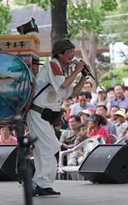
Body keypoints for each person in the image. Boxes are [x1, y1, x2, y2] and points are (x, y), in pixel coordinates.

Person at [26, 39, 89, 196]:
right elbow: (64, 85)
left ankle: (38, 182)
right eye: (69, 52)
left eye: (73, 52)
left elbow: (72, 93)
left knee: (44, 149)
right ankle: (42, 183)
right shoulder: (52, 65)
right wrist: (77, 70)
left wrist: (83, 77)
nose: (72, 55)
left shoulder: (61, 71)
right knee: (50, 147)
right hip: (38, 113)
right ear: (59, 54)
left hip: (43, 116)